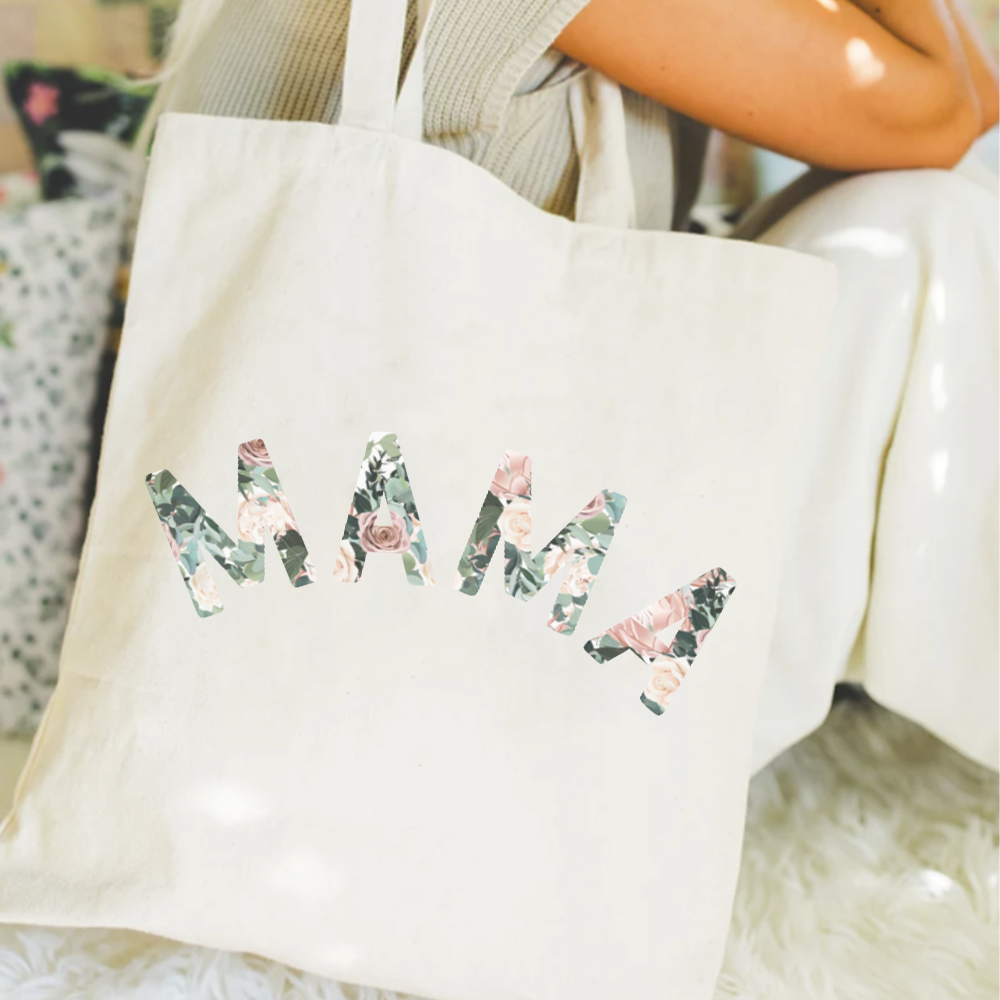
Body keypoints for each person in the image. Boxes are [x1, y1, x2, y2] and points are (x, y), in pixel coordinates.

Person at [148, 0, 1000, 774]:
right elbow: (941, 111)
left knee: (926, 208)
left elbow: (968, 94)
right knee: (921, 230)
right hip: (413, 635)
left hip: (429, 576)